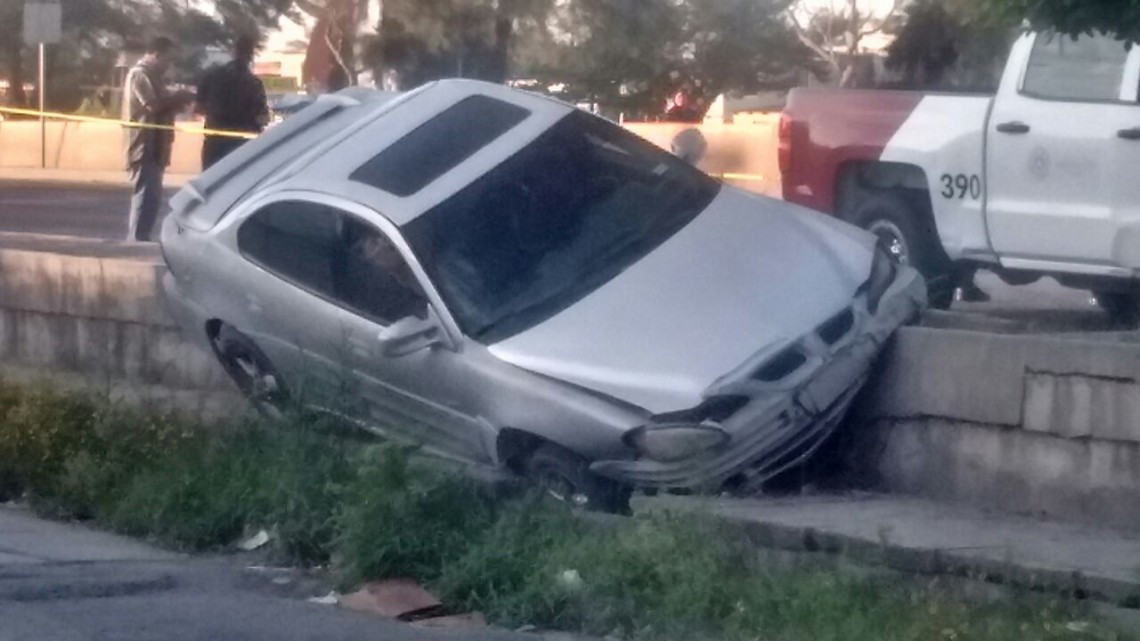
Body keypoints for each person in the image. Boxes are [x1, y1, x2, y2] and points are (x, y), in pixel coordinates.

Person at [124, 36, 194, 241]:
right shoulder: (140, 74)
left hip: (158, 147)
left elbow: (164, 105)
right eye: (167, 59)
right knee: (144, 196)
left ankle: (142, 238)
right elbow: (153, 105)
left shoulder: (155, 77)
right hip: (143, 144)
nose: (169, 65)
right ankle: (135, 242)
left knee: (152, 199)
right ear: (156, 54)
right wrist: (177, 97)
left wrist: (179, 101)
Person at [196, 33, 269, 170]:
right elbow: (263, 118)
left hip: (215, 143)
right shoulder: (254, 84)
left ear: (233, 51)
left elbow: (199, 108)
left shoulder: (212, 76)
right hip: (243, 146)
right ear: (251, 55)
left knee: (212, 181)